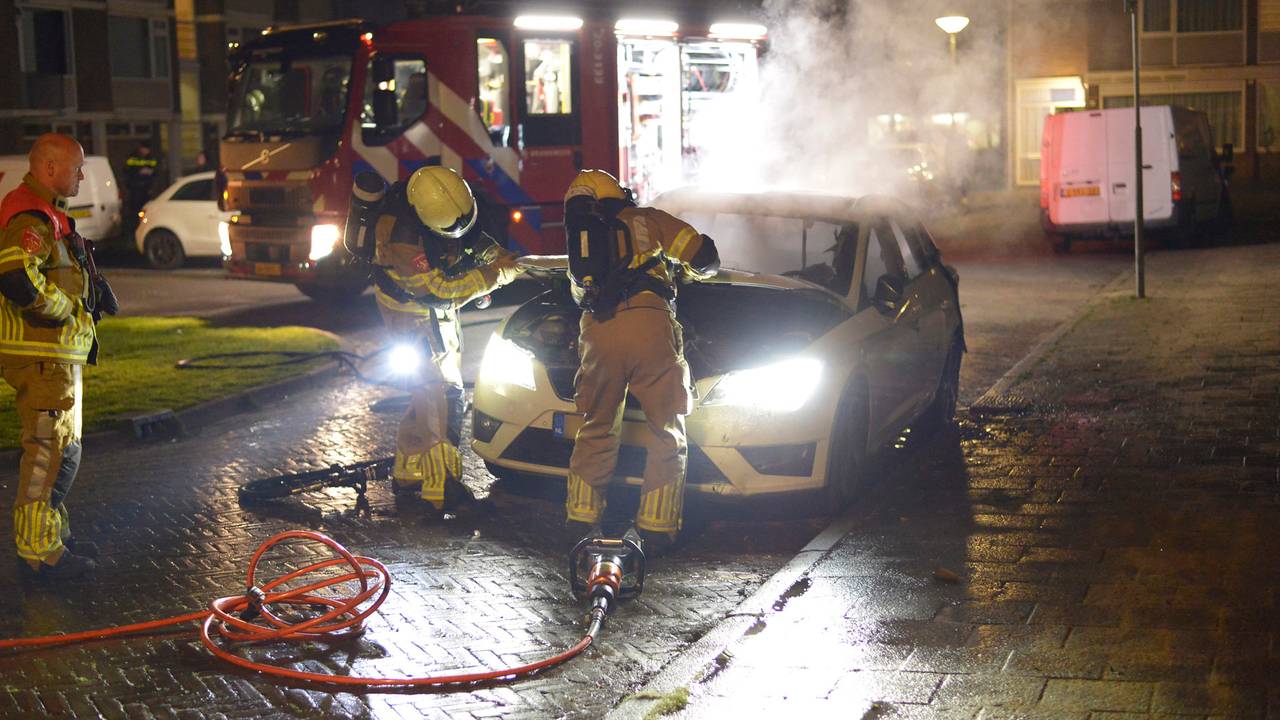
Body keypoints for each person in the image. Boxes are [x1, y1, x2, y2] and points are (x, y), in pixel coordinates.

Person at [562, 169, 720, 554]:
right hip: (650, 326)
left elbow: (580, 296)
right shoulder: (647, 220)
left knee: (596, 427)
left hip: (599, 333)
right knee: (666, 430)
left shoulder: (580, 247)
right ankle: (656, 526)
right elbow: (704, 257)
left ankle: (581, 519)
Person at [368, 166, 522, 512]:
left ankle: (409, 471)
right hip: (412, 314)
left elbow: (468, 239)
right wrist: (494, 275)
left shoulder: (446, 206)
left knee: (425, 392)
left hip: (425, 312)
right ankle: (443, 489)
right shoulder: (402, 241)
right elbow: (441, 292)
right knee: (443, 395)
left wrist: (494, 255)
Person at [0, 133, 118, 581]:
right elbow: (15, 273)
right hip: (42, 357)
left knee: (63, 452)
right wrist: (64, 307)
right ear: (49, 168)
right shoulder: (30, 214)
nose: (82, 176)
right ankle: (37, 555)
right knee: (48, 455)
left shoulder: (47, 213)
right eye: (77, 168)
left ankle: (52, 538)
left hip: (56, 359)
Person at [123, 142, 160, 234]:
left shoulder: (151, 158)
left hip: (146, 188)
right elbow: (127, 170)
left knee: (145, 209)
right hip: (135, 188)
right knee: (135, 209)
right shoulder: (133, 157)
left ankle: (144, 226)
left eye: (146, 150)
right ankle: (135, 228)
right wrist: (138, 173)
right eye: (143, 149)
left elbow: (156, 172)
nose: (145, 151)